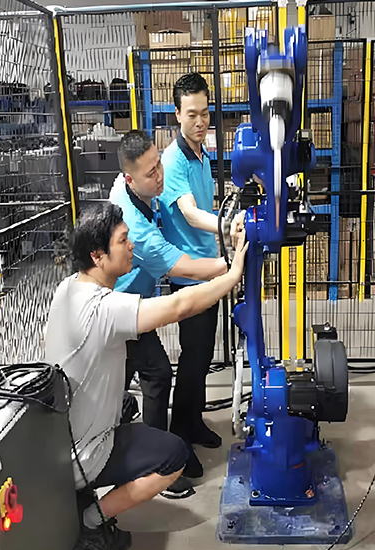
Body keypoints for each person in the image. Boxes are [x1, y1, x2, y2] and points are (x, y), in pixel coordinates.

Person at [44, 202, 247, 550]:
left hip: (58, 442)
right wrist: (231, 276)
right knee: (174, 456)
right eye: (123, 241)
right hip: (85, 454)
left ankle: (82, 496)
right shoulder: (103, 309)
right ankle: (91, 520)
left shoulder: (67, 289)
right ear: (98, 255)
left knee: (129, 402)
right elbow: (178, 306)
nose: (131, 245)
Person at [110, 129, 243, 498]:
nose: (160, 176)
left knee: (135, 380)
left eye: (159, 164)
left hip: (134, 302)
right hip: (119, 310)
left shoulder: (134, 188)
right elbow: (182, 267)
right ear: (130, 178)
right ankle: (155, 466)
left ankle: (143, 449)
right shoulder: (136, 230)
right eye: (151, 172)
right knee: (154, 374)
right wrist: (232, 263)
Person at [157, 73, 223, 479]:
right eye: (192, 114)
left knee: (202, 357)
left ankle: (194, 421)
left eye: (205, 113)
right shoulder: (173, 161)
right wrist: (230, 226)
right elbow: (190, 213)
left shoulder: (202, 153)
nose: (200, 122)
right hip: (188, 275)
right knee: (192, 357)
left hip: (209, 269)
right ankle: (180, 437)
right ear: (177, 114)